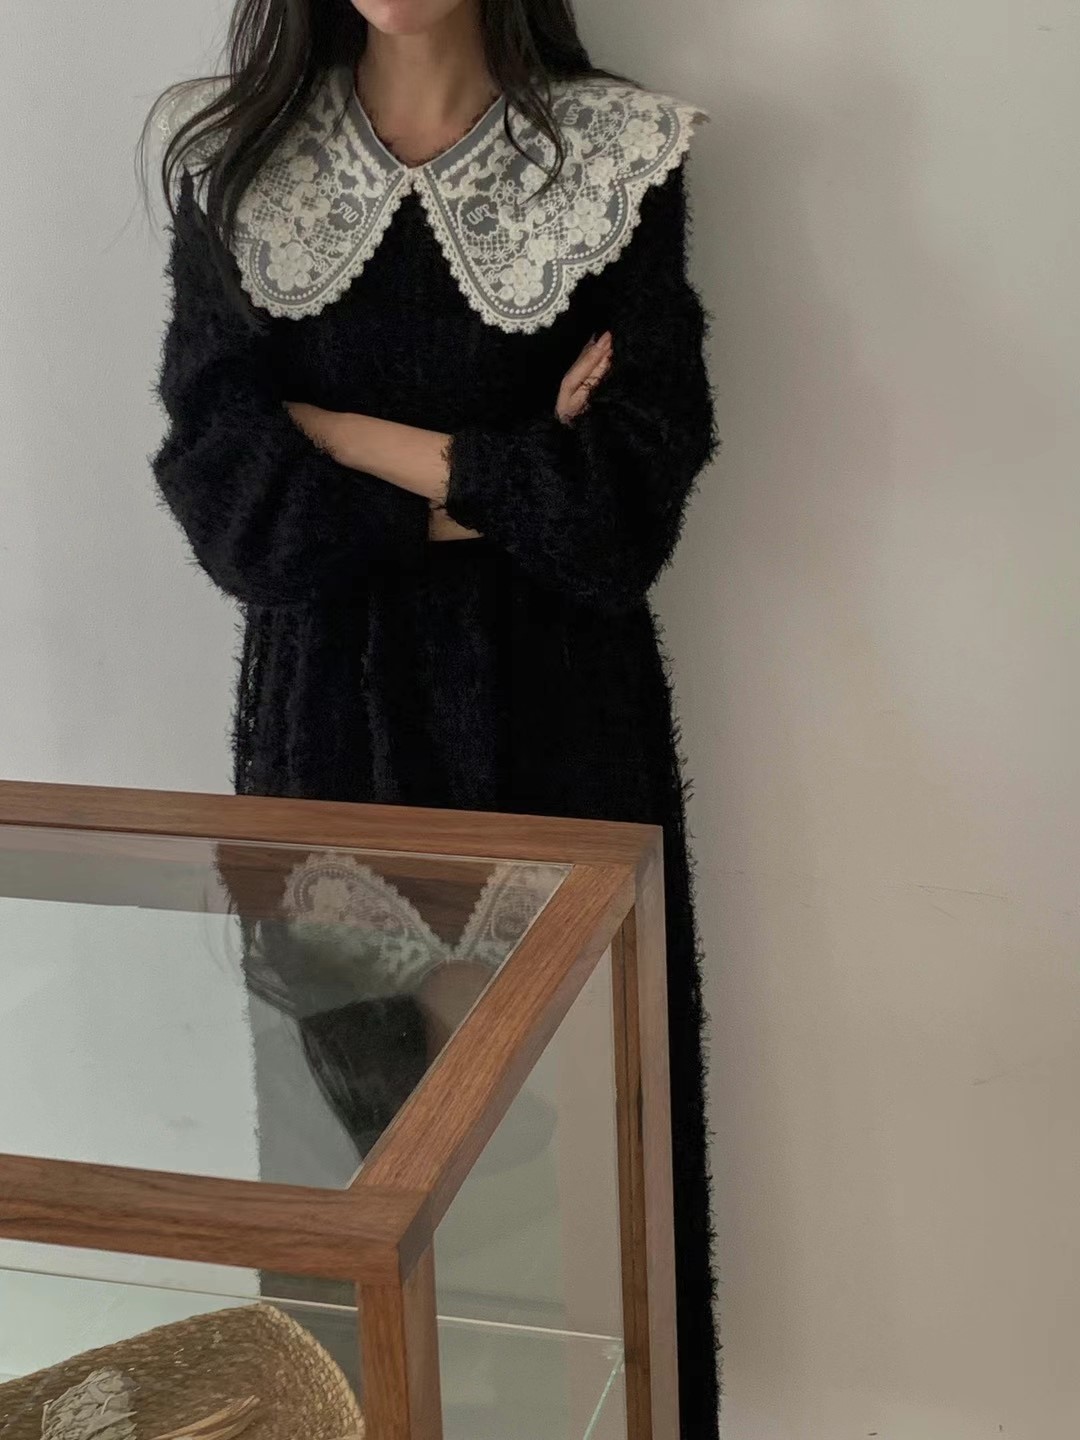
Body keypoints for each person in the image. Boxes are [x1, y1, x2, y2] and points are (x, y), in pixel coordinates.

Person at [142, 0, 720, 1430]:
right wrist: (500, 478)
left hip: (559, 731)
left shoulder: (617, 154)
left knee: (579, 1197)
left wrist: (339, 434)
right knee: (345, 1197)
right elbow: (236, 510)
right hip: (320, 744)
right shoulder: (237, 163)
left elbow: (617, 516)